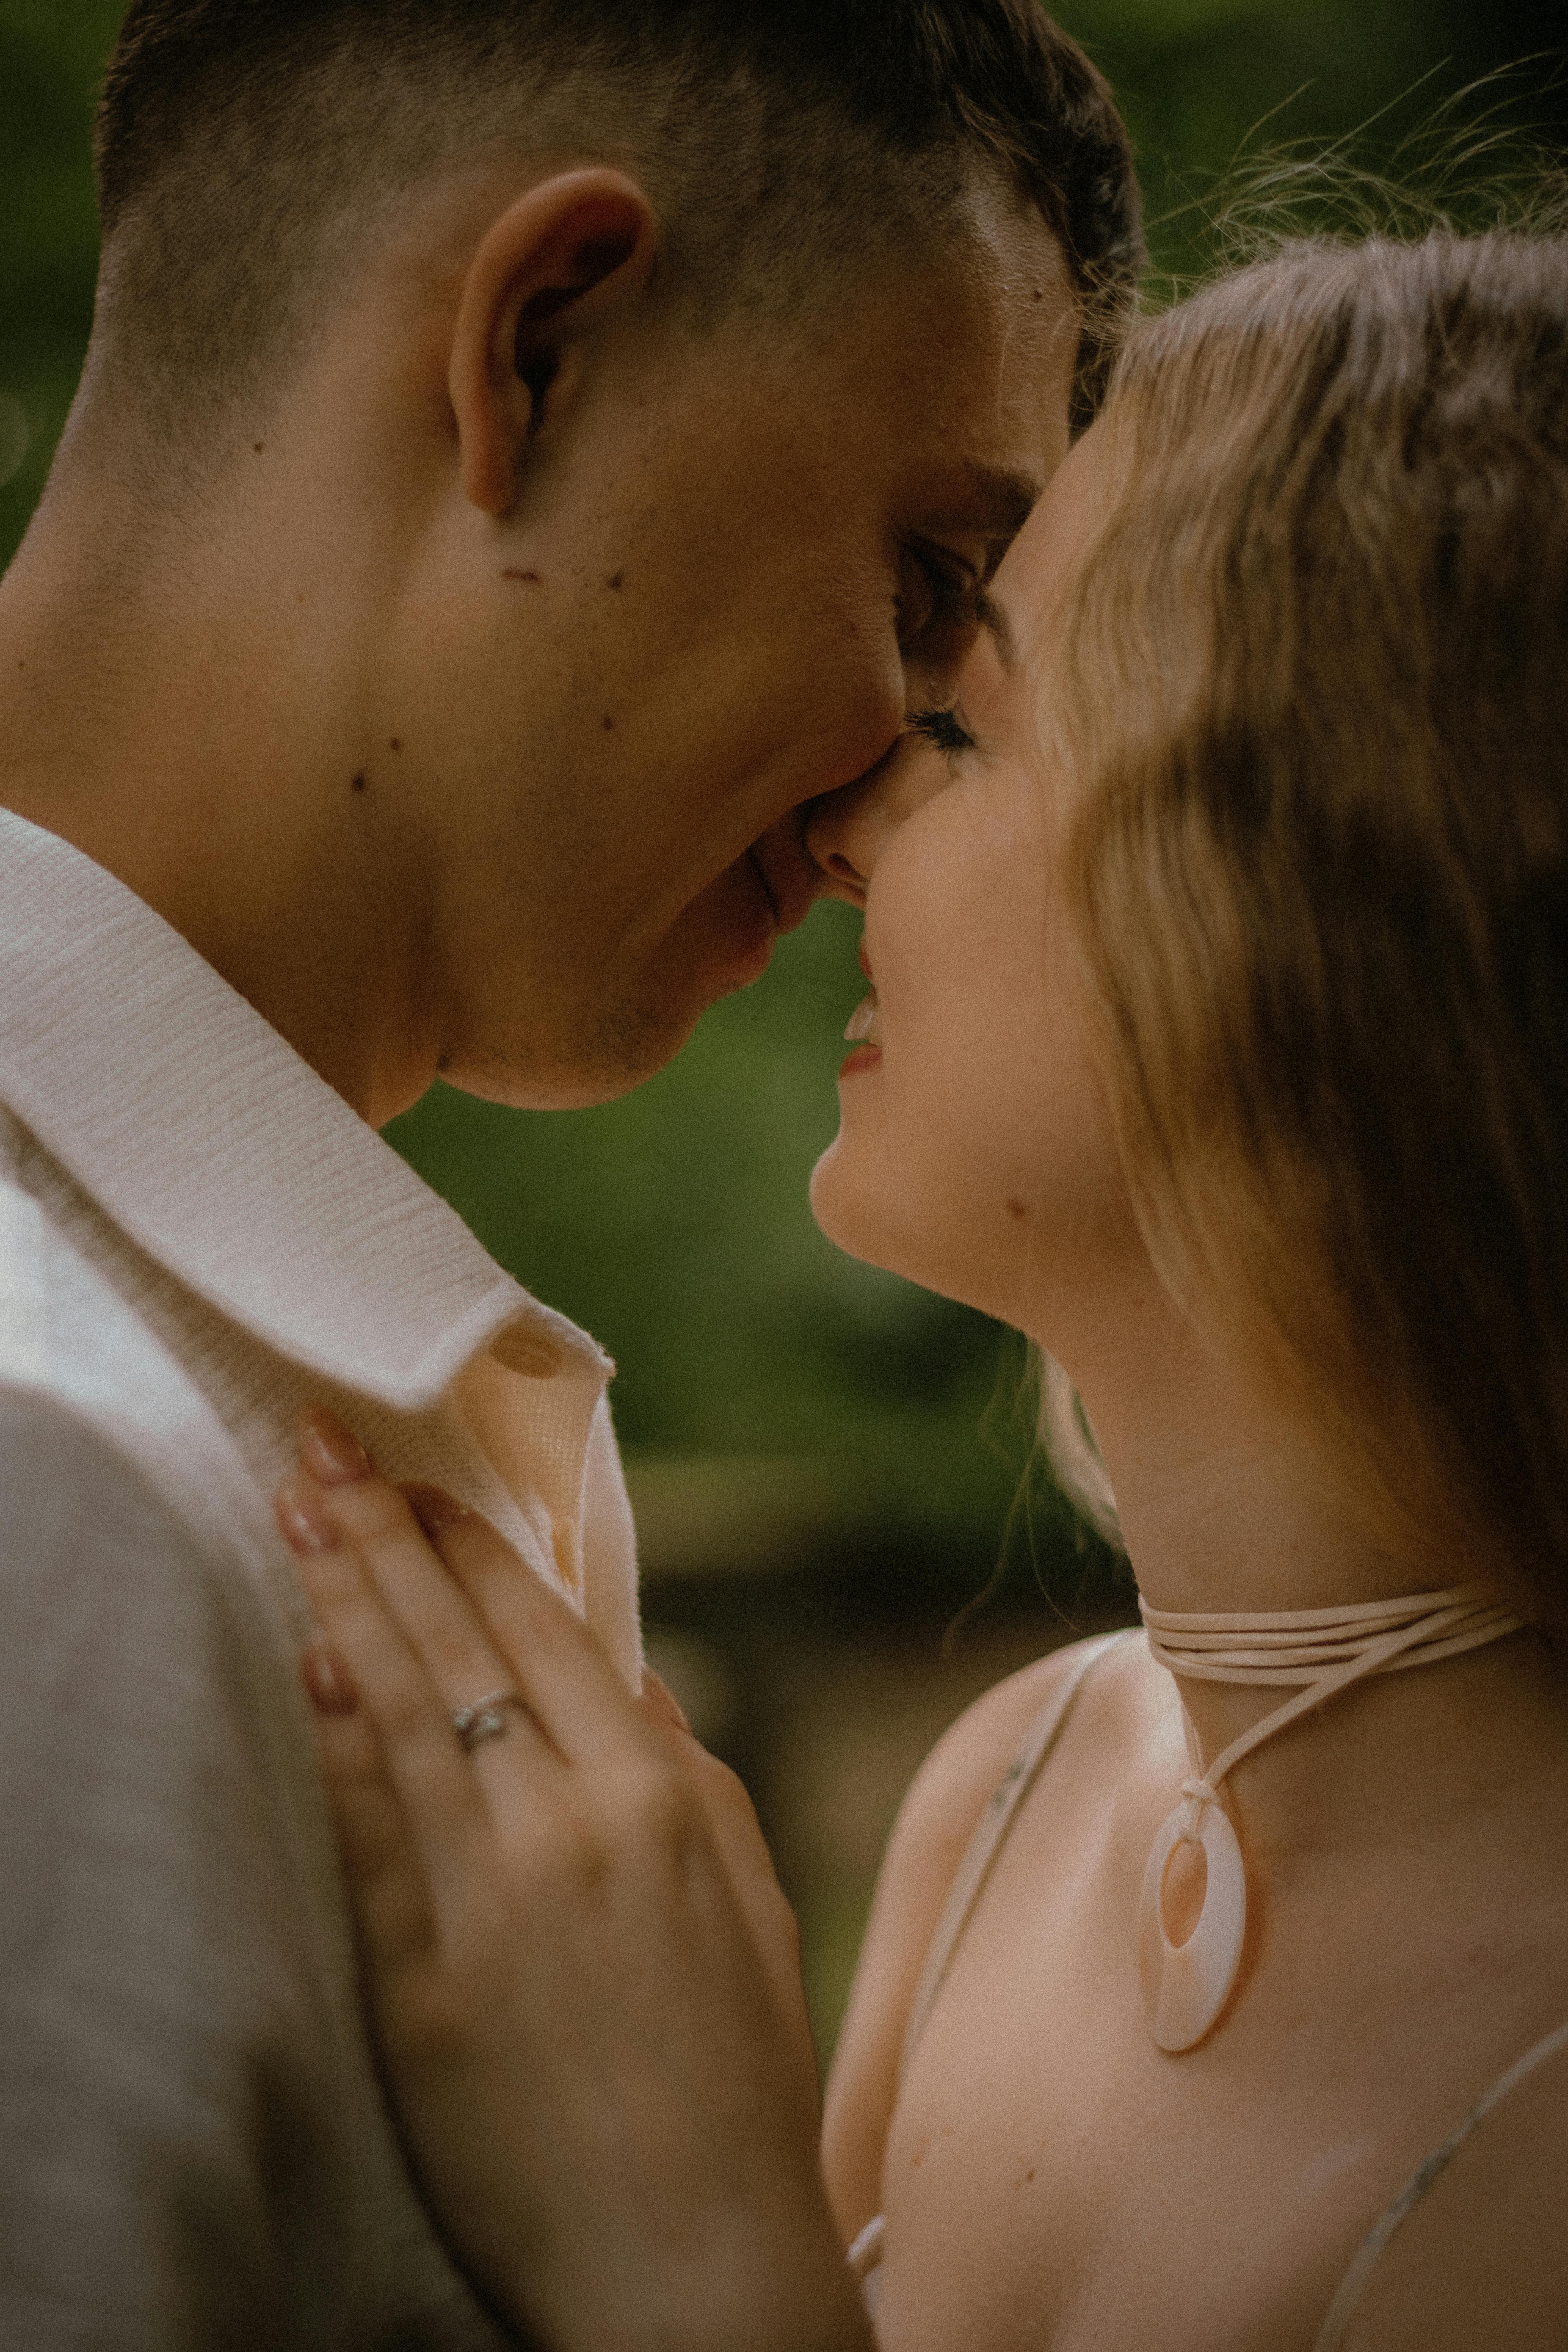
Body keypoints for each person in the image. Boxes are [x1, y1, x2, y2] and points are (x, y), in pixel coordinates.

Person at [281, 218, 1568, 2352]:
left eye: (968, 731)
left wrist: (702, 2258)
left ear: (1336, 904)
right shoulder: (1005, 1796)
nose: (851, 810)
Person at [0, 1, 1140, 2341]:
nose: (876, 813)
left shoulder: (299, 1380)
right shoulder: (57, 1488)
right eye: (932, 577)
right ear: (536, 344)